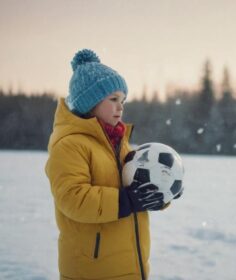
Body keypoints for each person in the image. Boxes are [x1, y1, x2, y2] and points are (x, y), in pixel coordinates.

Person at [45, 49, 165, 280]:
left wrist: (162, 190)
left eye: (123, 100)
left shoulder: (121, 144)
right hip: (92, 271)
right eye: (113, 99)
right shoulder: (70, 145)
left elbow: (135, 188)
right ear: (89, 103)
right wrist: (125, 200)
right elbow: (73, 198)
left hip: (132, 269)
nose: (120, 107)